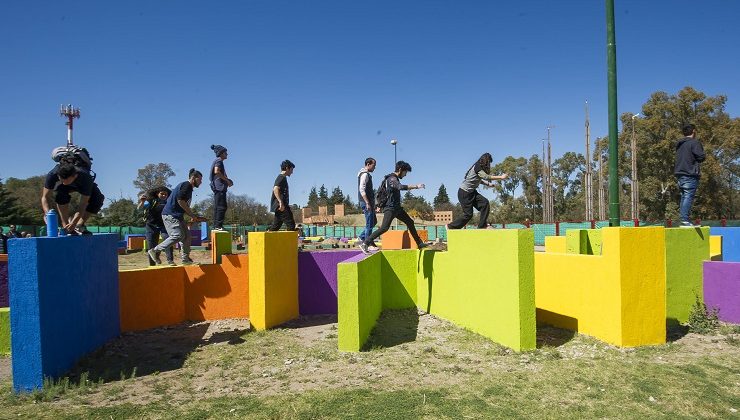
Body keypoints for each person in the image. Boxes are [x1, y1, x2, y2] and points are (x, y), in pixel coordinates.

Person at [359, 160, 427, 254]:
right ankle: (365, 243)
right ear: (400, 170)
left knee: (410, 222)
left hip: (397, 209)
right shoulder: (392, 179)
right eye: (405, 172)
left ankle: (419, 243)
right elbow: (399, 187)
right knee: (384, 228)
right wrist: (416, 186)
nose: (405, 175)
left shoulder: (394, 178)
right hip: (390, 208)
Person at [148, 169, 207, 265]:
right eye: (199, 179)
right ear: (193, 178)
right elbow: (180, 201)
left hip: (177, 216)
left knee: (187, 236)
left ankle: (185, 259)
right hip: (170, 215)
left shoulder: (188, 188)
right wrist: (192, 215)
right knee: (177, 235)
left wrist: (195, 217)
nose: (201, 182)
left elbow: (183, 205)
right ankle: (154, 251)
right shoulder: (186, 185)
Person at [447, 153, 508, 230]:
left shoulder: (478, 168)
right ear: (486, 161)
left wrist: (488, 184)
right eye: (489, 163)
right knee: (468, 214)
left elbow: (478, 180)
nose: (489, 165)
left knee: (485, 203)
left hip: (472, 192)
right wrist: (501, 177)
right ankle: (451, 226)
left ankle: (482, 225)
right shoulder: (477, 167)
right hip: (464, 193)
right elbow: (486, 177)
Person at [41, 162, 104, 235]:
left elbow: (83, 203)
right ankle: (66, 225)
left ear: (75, 176)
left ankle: (79, 225)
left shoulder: (86, 178)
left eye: (66, 181)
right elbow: (45, 197)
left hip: (80, 184)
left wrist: (74, 222)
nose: (64, 182)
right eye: (62, 180)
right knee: (61, 194)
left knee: (97, 198)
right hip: (62, 188)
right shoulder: (52, 175)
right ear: (58, 175)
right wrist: (47, 214)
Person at [674, 123, 706, 227]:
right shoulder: (694, 142)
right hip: (689, 173)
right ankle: (684, 220)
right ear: (693, 131)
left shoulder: (680, 144)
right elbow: (701, 157)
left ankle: (684, 219)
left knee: (684, 196)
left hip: (680, 174)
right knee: (688, 195)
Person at [138, 187, 175, 266]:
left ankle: (170, 261)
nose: (164, 195)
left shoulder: (169, 202)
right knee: (151, 245)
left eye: (165, 194)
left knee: (169, 240)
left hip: (164, 226)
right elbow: (139, 208)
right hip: (151, 225)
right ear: (157, 194)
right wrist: (142, 202)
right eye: (162, 193)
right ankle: (152, 264)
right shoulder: (151, 201)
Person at [210, 144, 233, 231]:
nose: (227, 154)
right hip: (219, 188)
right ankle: (218, 225)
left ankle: (216, 225)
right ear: (221, 153)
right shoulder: (219, 161)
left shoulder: (218, 161)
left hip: (218, 187)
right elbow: (217, 172)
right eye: (225, 152)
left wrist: (228, 181)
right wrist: (227, 180)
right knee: (221, 206)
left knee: (218, 206)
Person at [268, 160, 296, 231]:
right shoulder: (281, 177)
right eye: (291, 170)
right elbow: (275, 188)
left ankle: (267, 238)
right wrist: (280, 202)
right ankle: (289, 242)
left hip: (280, 206)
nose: (292, 172)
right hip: (281, 206)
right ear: (287, 168)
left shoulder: (282, 177)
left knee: (276, 226)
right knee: (291, 224)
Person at [357, 157, 378, 249]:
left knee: (374, 221)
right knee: (369, 223)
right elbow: (361, 189)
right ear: (368, 164)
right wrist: (367, 203)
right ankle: (368, 244)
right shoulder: (364, 174)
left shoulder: (367, 174)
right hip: (366, 202)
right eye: (374, 165)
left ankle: (361, 237)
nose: (375, 168)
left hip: (369, 202)